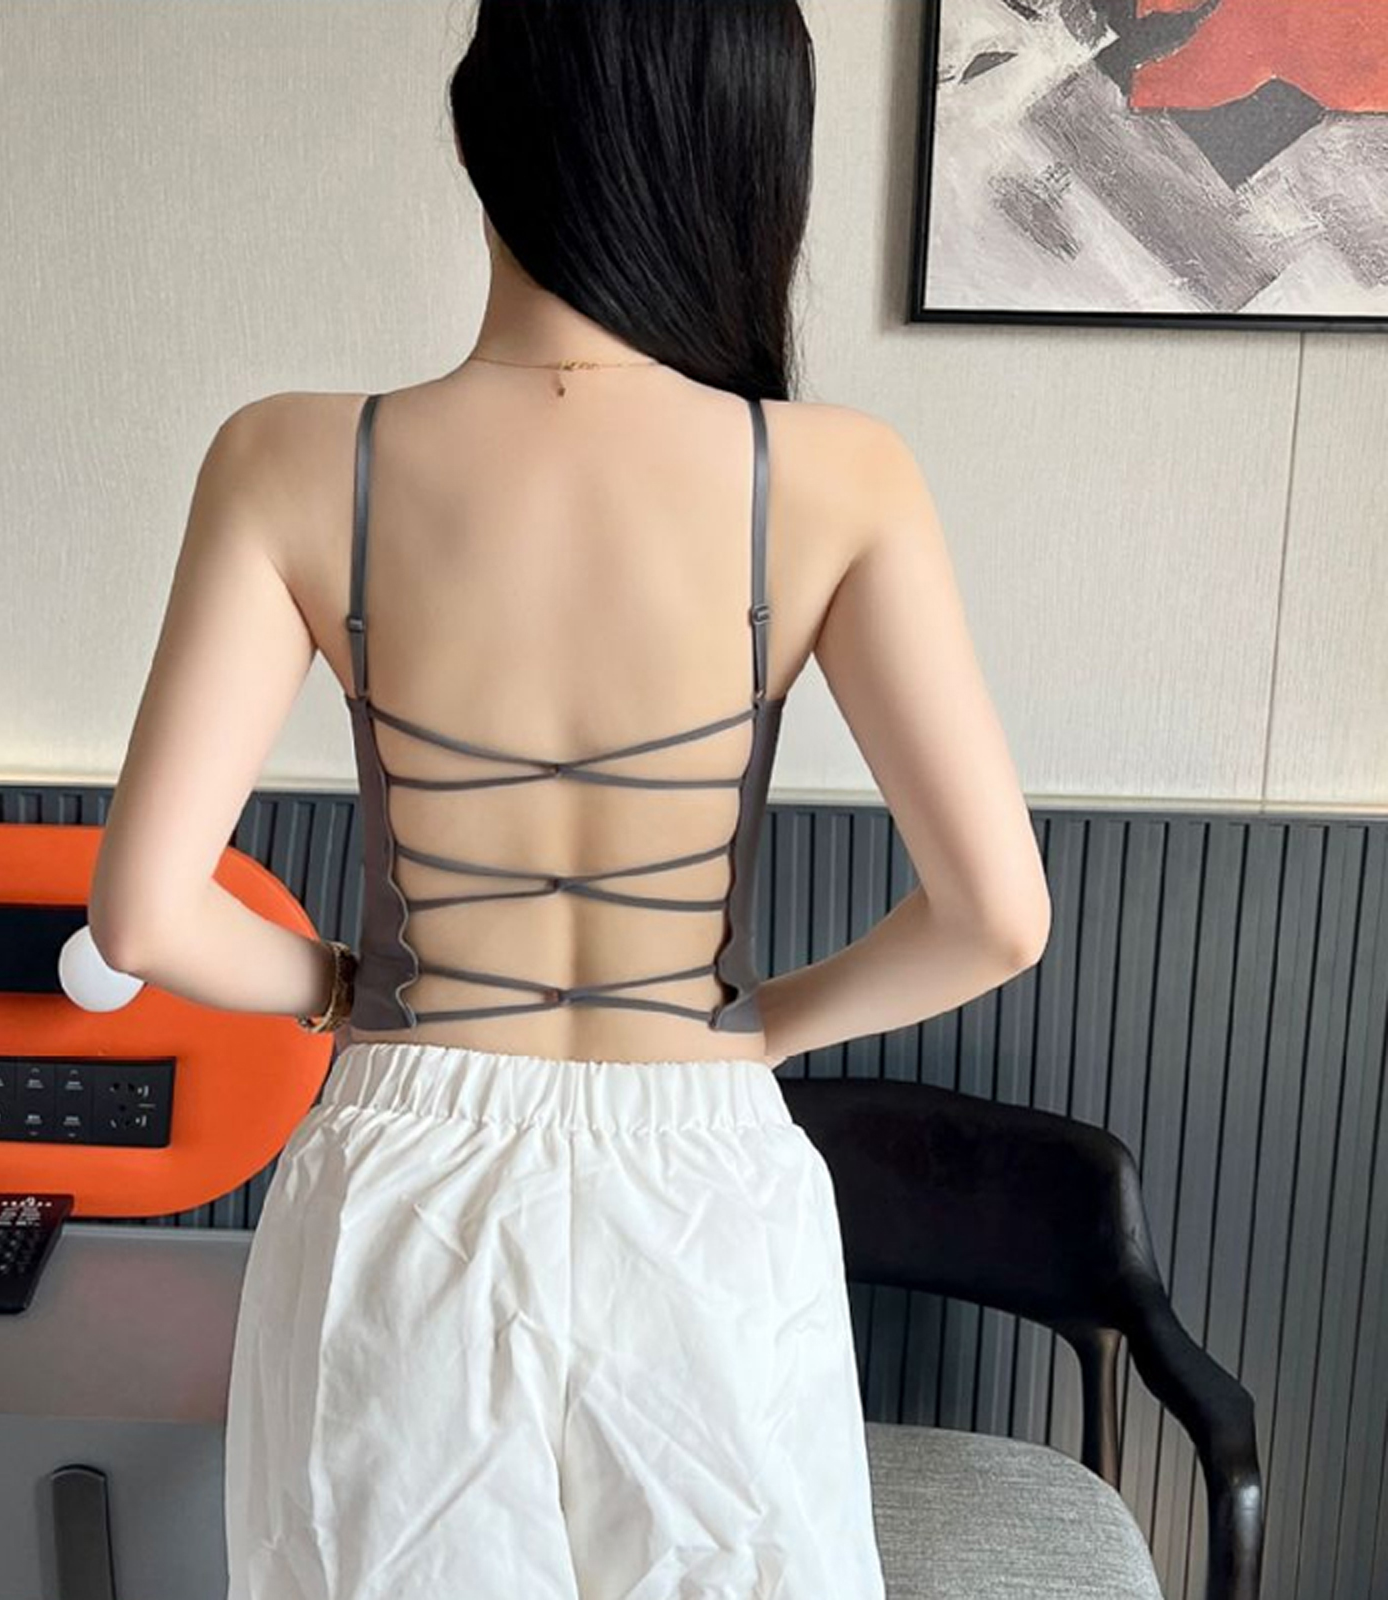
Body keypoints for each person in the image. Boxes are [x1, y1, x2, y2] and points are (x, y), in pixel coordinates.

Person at [89, 2, 1051, 1595]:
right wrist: (756, 1028)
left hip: (404, 1162)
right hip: (704, 1170)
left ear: (482, 126)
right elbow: (997, 919)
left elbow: (141, 918)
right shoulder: (837, 474)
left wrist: (335, 987)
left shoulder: (290, 458)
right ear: (753, 163)